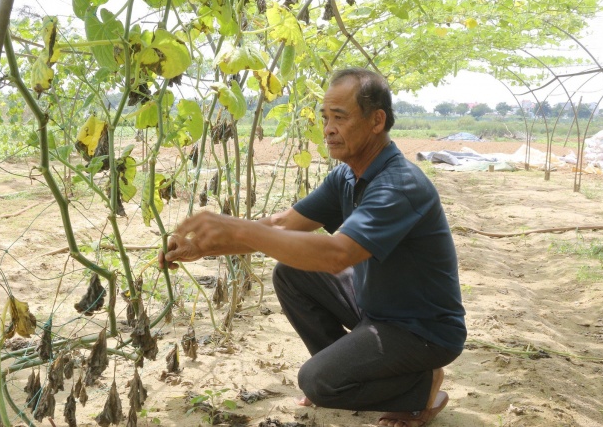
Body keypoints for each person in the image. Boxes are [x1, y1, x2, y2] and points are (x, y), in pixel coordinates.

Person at [163, 68, 466, 427]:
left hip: (423, 330)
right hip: (377, 309)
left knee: (316, 381)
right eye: (325, 118)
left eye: (340, 117)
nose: (328, 129)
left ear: (376, 121)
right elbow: (279, 226)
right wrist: (202, 248)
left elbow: (338, 255)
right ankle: (354, 375)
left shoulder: (399, 184)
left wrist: (235, 227)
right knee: (291, 272)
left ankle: (419, 385)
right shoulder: (347, 176)